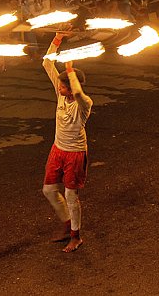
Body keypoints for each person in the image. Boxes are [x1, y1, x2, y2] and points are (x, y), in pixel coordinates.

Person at [42, 33, 93, 253]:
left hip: (75, 153)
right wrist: (57, 39)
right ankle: (66, 225)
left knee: (71, 195)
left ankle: (76, 235)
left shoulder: (84, 103)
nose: (59, 90)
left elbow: (79, 92)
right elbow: (46, 62)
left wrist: (70, 70)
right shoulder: (62, 94)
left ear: (70, 87)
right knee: (49, 190)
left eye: (63, 87)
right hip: (57, 149)